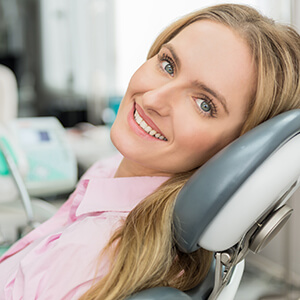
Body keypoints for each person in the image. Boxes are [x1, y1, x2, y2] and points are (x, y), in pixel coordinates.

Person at [1, 3, 300, 300]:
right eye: (168, 65)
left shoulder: (90, 255)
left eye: (204, 104)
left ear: (235, 151)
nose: (154, 98)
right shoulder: (109, 172)